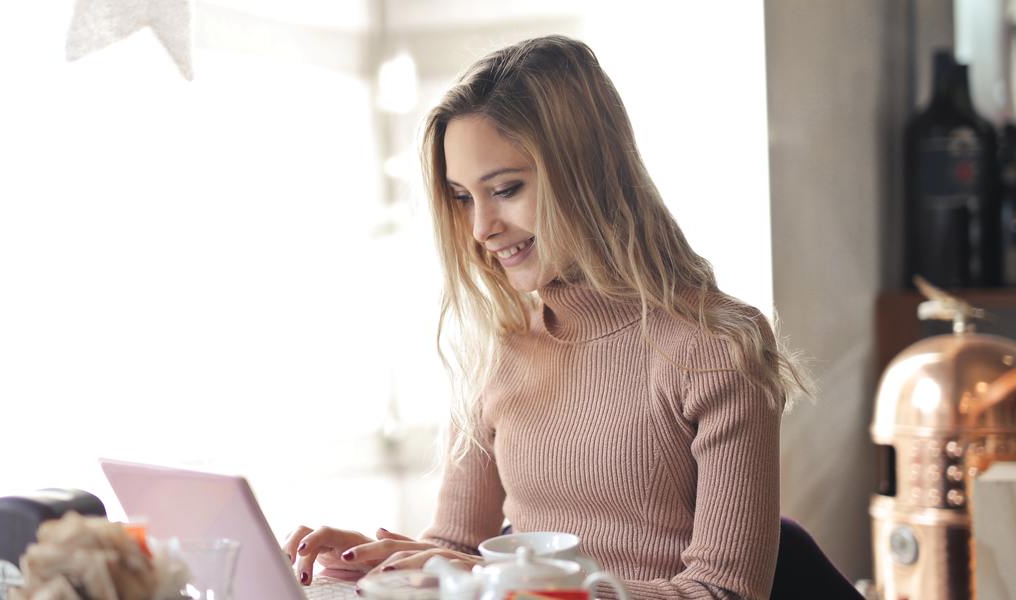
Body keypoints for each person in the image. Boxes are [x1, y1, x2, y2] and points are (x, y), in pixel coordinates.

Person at [282, 34, 807, 599]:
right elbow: (458, 552)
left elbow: (723, 593)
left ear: (587, 173)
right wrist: (387, 565)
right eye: (462, 197)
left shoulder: (715, 346)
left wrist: (513, 585)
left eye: (505, 189)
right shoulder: (498, 348)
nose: (482, 228)